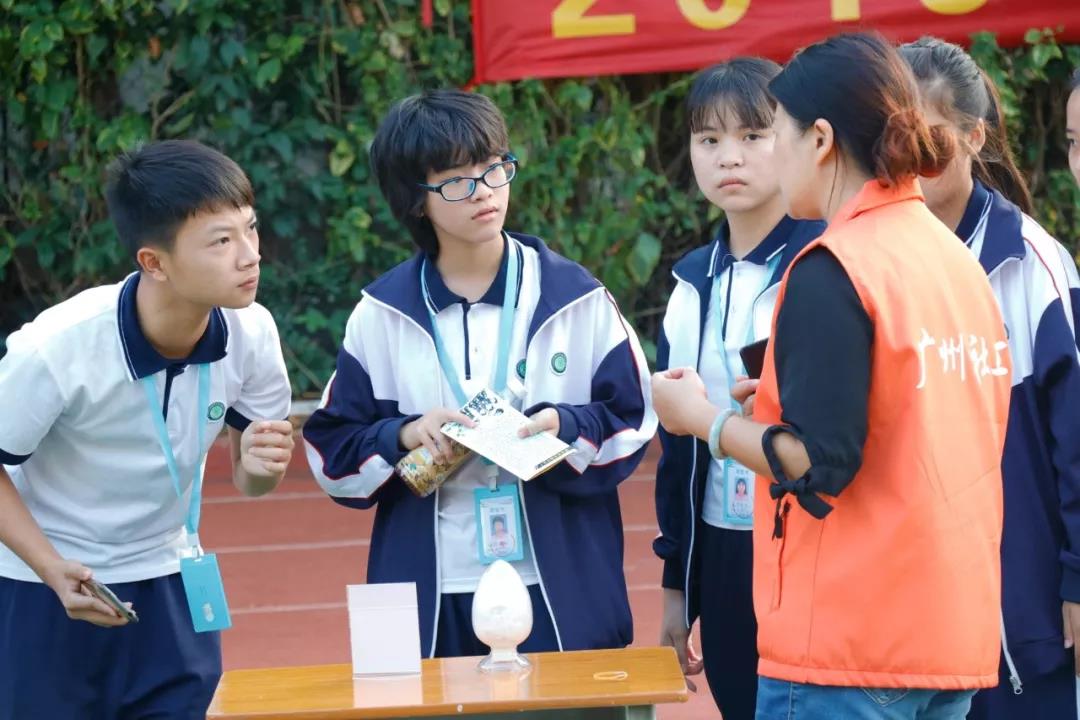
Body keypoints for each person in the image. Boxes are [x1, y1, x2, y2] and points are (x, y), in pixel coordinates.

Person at [652, 32, 1012, 719]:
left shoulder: (835, 265)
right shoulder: (951, 256)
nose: (763, 156)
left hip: (847, 642)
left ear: (818, 139)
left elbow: (816, 462)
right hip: (946, 632)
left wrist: (703, 421)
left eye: (771, 132)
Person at [302, 89, 656, 658]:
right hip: (429, 591)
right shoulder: (381, 315)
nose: (485, 191)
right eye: (456, 181)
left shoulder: (575, 298)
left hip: (556, 585)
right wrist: (403, 435)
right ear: (416, 200)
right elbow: (330, 452)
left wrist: (564, 427)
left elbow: (634, 419)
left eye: (494, 168)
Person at [0, 139, 295, 718]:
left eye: (250, 229)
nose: (250, 256)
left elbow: (251, 482)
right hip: (44, 589)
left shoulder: (253, 331)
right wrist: (48, 566)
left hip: (171, 580)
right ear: (154, 262)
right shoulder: (56, 348)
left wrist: (263, 469)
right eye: (221, 241)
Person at [898, 37, 1080, 719]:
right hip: (910, 620)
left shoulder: (1028, 264)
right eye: (891, 136)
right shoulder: (866, 261)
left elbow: (1074, 439)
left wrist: (1076, 579)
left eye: (929, 138)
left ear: (975, 136)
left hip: (1021, 625)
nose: (908, 158)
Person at [652, 57, 823, 719]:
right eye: (709, 139)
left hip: (808, 550)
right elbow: (677, 448)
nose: (730, 157)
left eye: (753, 136)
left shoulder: (827, 263)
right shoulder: (689, 284)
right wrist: (677, 585)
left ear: (799, 139)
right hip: (723, 546)